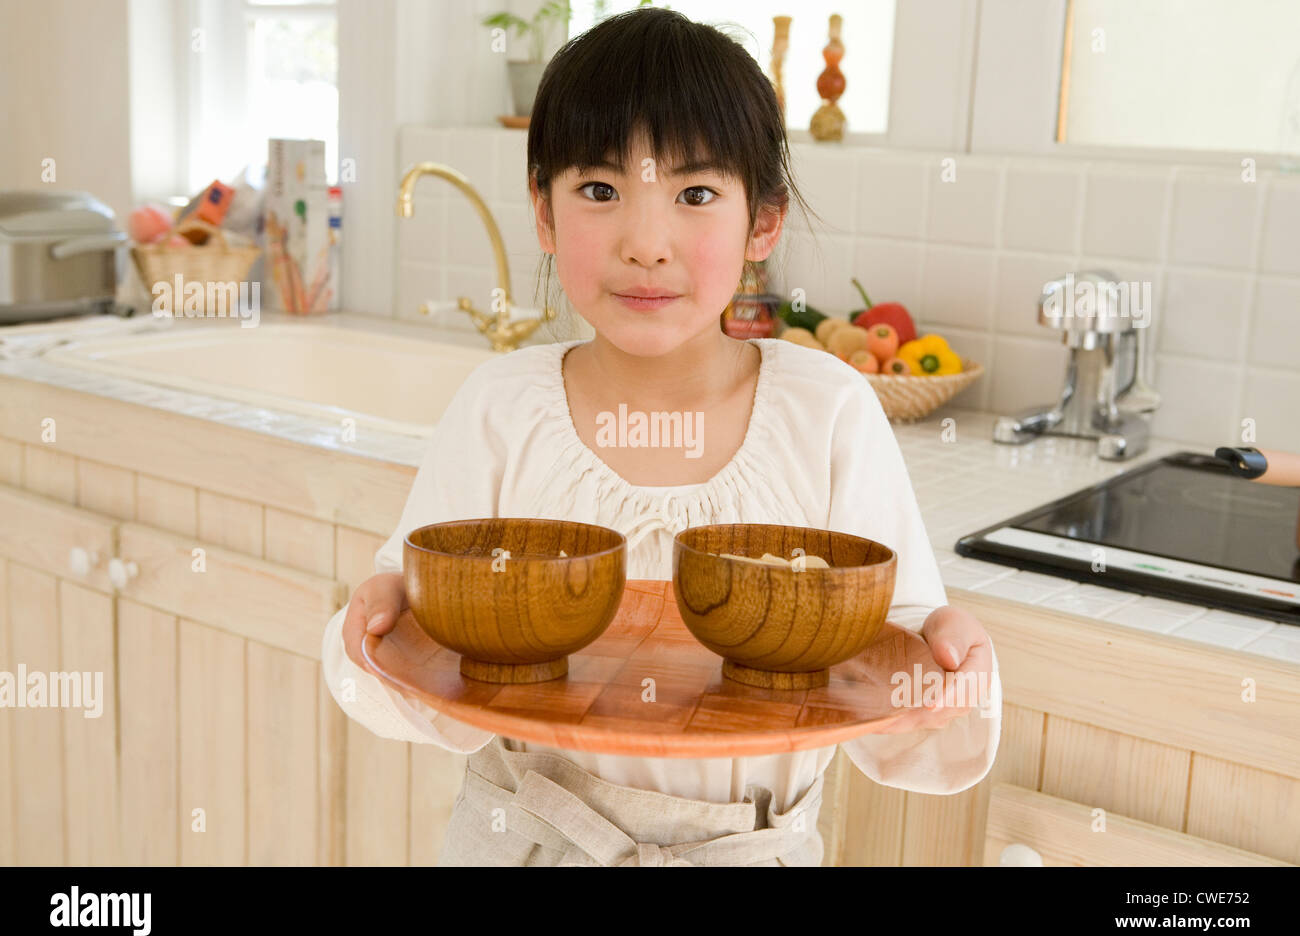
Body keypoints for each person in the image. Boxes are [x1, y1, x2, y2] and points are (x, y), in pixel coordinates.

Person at [321, 7, 1001, 866]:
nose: (646, 245)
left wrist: (949, 661)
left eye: (696, 194)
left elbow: (898, 686)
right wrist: (380, 622)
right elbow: (411, 667)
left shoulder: (828, 412)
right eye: (600, 192)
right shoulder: (499, 407)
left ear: (764, 223)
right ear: (543, 213)